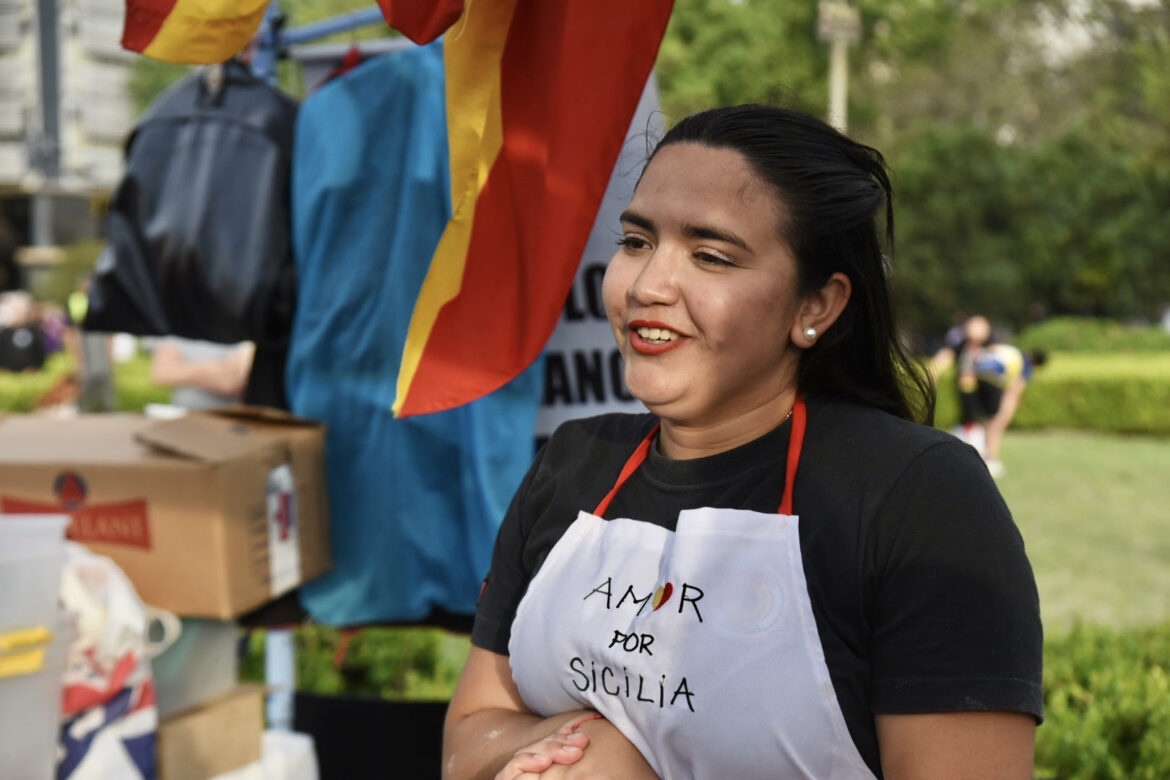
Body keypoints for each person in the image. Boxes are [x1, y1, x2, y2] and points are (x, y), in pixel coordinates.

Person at [443, 105, 1042, 780]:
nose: (647, 286)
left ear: (817, 305)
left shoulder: (917, 498)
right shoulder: (572, 463)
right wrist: (589, 739)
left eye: (711, 256)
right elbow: (469, 734)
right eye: (637, 242)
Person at [959, 337, 1047, 478]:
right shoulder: (1026, 362)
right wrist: (1009, 408)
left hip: (978, 372)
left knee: (985, 418)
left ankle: (983, 454)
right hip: (994, 377)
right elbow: (1016, 388)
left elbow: (987, 351)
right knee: (995, 420)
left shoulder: (1013, 350)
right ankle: (991, 458)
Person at [150, 336, 255, 409]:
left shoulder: (242, 332)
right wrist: (215, 369)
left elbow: (230, 384)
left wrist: (185, 372)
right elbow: (162, 374)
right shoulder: (177, 331)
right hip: (184, 418)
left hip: (229, 422)